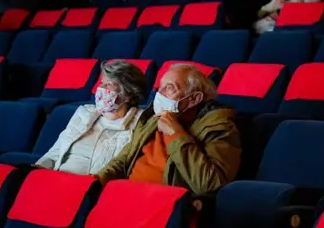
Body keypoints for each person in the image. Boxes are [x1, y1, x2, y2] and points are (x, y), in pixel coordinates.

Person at [96, 64, 241, 195]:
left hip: (165, 202)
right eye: (160, 87)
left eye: (170, 88)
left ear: (194, 99)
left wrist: (176, 134)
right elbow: (123, 161)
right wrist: (94, 183)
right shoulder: (153, 118)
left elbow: (210, 184)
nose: (159, 94)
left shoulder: (219, 127)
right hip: (128, 194)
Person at [35, 60, 147, 175]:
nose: (100, 88)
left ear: (128, 94)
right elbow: (54, 153)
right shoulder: (84, 113)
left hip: (90, 186)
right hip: (56, 178)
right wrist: (36, 170)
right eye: (101, 83)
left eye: (108, 84)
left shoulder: (140, 125)